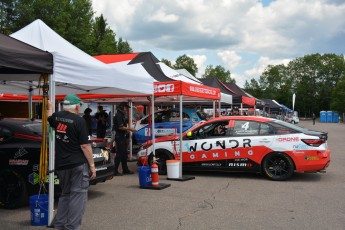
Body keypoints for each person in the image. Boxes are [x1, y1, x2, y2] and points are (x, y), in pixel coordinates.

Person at [47, 94, 96, 230]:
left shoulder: (56, 116)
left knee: (65, 194)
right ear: (76, 106)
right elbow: (85, 146)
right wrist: (92, 166)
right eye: (79, 104)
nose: (80, 106)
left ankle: (59, 224)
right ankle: (71, 227)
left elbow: (49, 118)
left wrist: (49, 107)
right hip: (77, 164)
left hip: (62, 165)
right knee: (78, 195)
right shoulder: (79, 121)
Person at [113, 102, 136, 176]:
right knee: (119, 154)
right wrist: (130, 129)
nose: (126, 110)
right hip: (119, 136)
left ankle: (125, 169)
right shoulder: (119, 115)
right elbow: (120, 127)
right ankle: (114, 170)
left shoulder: (122, 115)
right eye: (126, 108)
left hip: (123, 136)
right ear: (122, 108)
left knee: (124, 154)